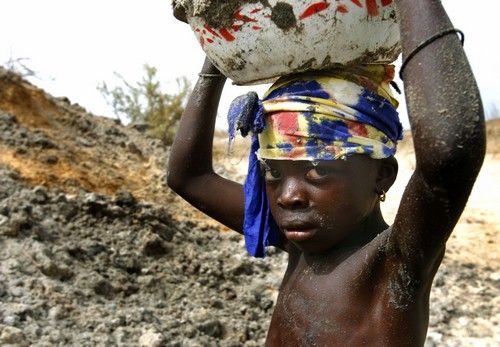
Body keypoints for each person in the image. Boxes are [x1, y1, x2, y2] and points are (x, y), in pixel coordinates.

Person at [167, 0, 486, 345]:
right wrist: (217, 46)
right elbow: (189, 177)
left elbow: (449, 154)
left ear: (382, 175)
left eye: (318, 170)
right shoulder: (296, 244)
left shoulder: (394, 264)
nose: (289, 195)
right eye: (273, 171)